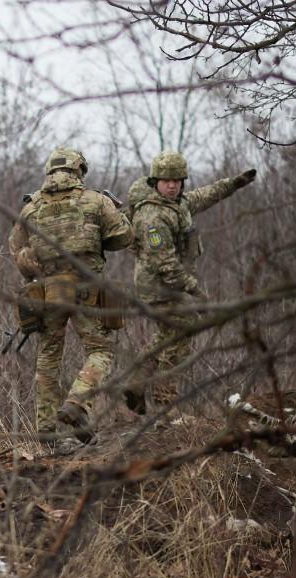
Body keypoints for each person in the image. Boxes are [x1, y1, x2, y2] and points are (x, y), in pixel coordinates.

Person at [10, 147, 133, 445]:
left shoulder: (31, 207)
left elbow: (17, 251)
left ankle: (45, 432)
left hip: (50, 292)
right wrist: (120, 212)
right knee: (101, 351)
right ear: (80, 170)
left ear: (49, 172)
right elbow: (123, 237)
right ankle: (77, 402)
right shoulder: (96, 200)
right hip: (86, 290)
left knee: (49, 356)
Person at [124, 151, 256, 413]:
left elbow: (204, 196)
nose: (173, 185)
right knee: (180, 339)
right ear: (155, 182)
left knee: (167, 335)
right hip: (159, 287)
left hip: (170, 286)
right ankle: (165, 409)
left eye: (178, 180)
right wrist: (197, 293)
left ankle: (136, 384)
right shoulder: (153, 216)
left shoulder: (176, 203)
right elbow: (166, 265)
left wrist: (233, 184)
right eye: (166, 180)